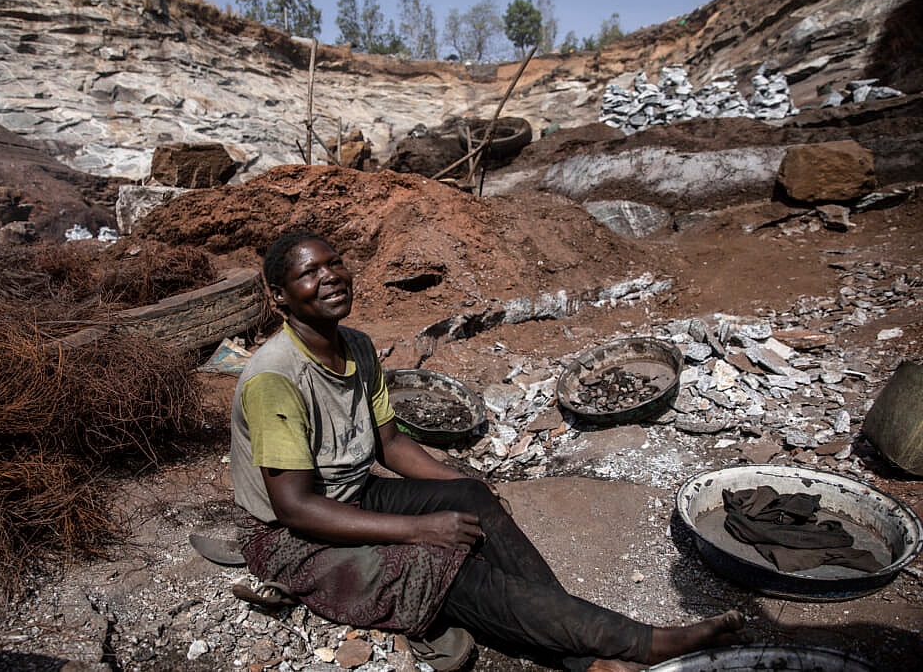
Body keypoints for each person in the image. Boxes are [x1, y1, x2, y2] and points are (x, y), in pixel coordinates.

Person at [230, 230, 744, 671]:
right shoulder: (276, 376)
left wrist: (465, 489)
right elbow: (294, 508)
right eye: (310, 273)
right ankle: (643, 642)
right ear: (281, 297)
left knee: (472, 499)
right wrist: (418, 528)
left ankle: (583, 652)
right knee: (441, 567)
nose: (331, 276)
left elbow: (389, 443)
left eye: (334, 262)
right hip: (290, 536)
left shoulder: (358, 346)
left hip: (353, 495)